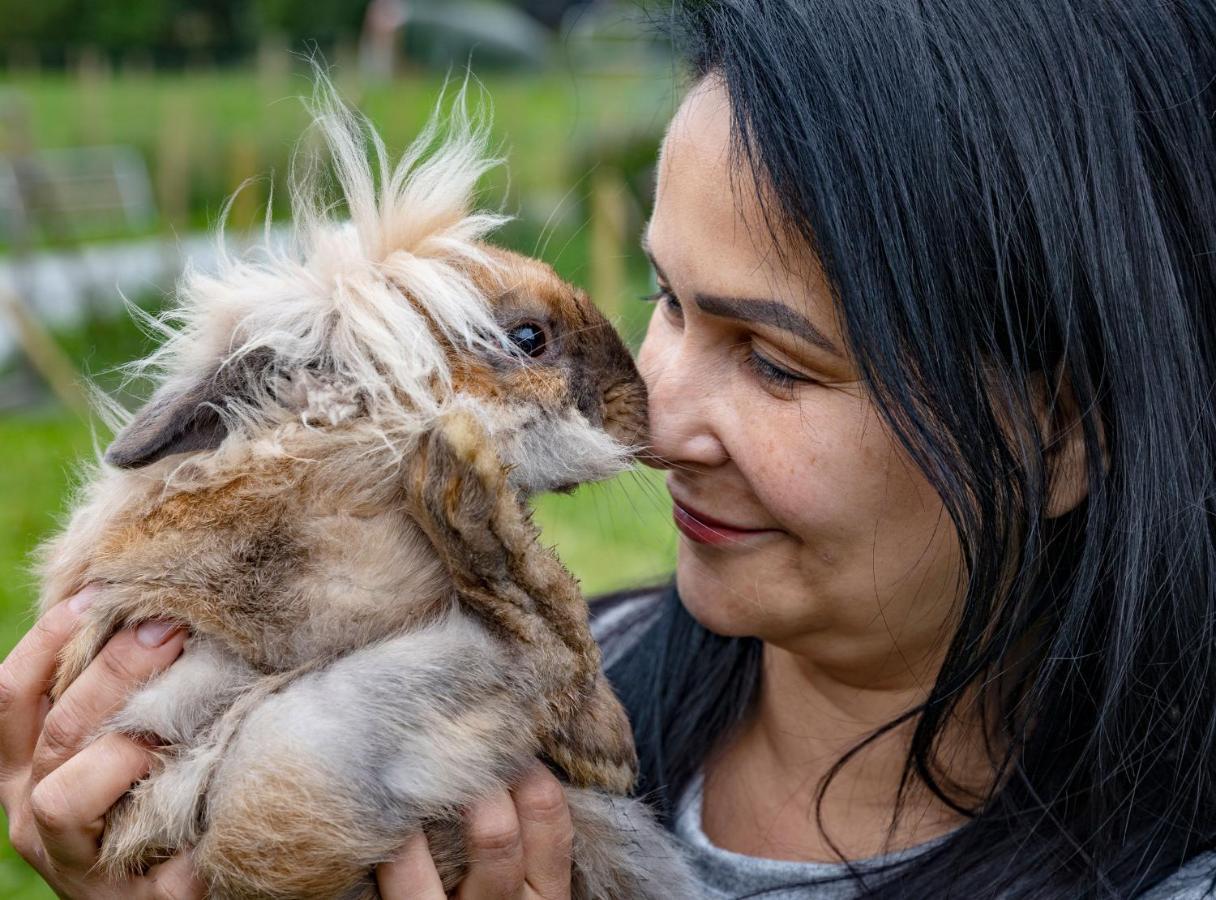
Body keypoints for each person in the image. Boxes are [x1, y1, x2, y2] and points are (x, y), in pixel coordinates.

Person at [5, 1, 1216, 897]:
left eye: (778, 362)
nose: (662, 419)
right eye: (669, 298)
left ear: (1063, 431)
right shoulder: (604, 657)